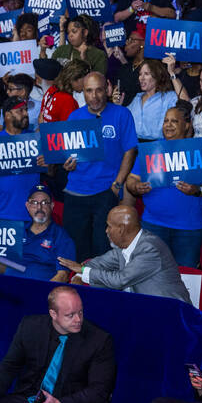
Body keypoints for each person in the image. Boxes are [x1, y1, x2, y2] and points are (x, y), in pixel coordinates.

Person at [124, 103, 202, 266]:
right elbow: (131, 179)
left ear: (186, 125)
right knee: (152, 276)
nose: (168, 125)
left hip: (189, 229)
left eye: (174, 121)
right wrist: (136, 187)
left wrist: (198, 190)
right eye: (165, 121)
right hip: (153, 225)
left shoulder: (200, 150)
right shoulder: (152, 150)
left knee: (185, 279)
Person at [63, 72, 139, 261]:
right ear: (83, 92)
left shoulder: (122, 114)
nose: (94, 96)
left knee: (102, 250)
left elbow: (130, 151)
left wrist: (117, 185)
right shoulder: (74, 117)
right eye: (89, 91)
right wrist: (68, 164)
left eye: (98, 90)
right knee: (76, 249)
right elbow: (69, 155)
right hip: (75, 191)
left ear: (107, 89)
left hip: (106, 191)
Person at [59, 205, 192, 303]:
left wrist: (83, 270)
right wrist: (79, 276)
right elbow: (96, 263)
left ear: (121, 229)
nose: (106, 231)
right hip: (144, 310)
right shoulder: (123, 248)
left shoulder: (150, 249)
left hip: (171, 313)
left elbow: (120, 280)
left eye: (109, 226)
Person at [0, 97, 44, 222]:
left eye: (26, 110)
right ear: (7, 115)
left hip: (32, 212)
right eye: (20, 111)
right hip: (2, 211)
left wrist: (47, 165)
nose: (26, 114)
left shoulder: (36, 140)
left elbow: (50, 172)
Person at [14, 185, 76, 282]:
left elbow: (63, 275)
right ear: (27, 206)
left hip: (40, 290)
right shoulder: (15, 231)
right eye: (34, 202)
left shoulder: (61, 237)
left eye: (44, 202)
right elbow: (5, 267)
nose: (39, 207)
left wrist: (43, 292)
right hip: (8, 286)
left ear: (52, 206)